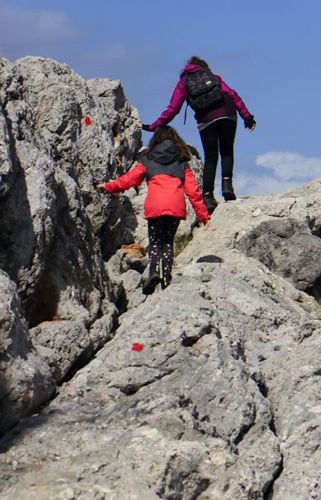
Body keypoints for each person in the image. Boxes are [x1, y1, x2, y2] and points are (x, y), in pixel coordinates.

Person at [97, 125, 210, 295]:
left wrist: (108, 186)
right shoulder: (182, 162)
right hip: (175, 206)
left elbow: (129, 180)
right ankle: (166, 278)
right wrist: (203, 217)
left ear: (156, 140)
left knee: (156, 241)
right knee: (167, 243)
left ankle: (153, 272)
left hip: (156, 206)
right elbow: (193, 192)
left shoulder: (147, 159)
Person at [141, 56, 256, 213]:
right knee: (227, 150)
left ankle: (208, 197)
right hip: (227, 114)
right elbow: (233, 94)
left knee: (211, 157)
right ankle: (227, 186)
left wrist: (152, 127)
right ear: (204, 67)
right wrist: (247, 117)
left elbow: (172, 109)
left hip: (206, 120)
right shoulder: (213, 77)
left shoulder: (183, 83)